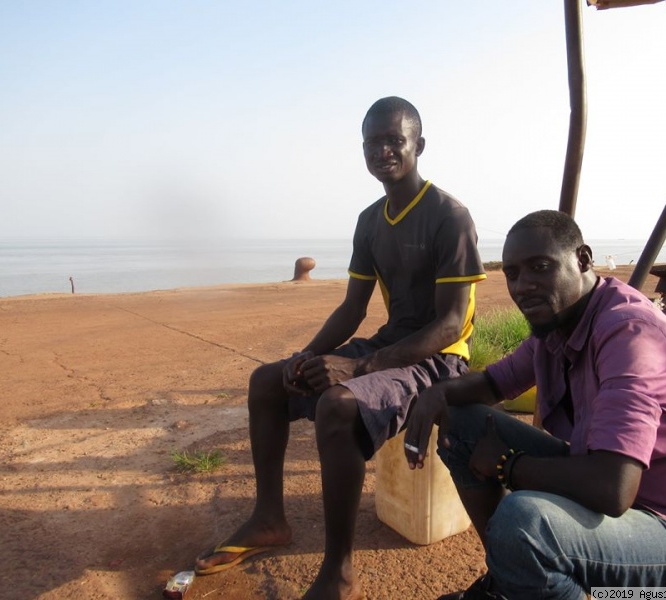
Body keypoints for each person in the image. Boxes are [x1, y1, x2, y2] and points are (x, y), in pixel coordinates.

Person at [195, 96, 486, 600]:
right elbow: (353, 309)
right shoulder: (370, 220)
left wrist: (362, 365)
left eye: (394, 139)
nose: (383, 151)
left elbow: (452, 323)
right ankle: (268, 519)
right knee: (268, 381)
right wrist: (305, 358)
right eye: (372, 141)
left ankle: (340, 572)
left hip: (441, 359)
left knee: (337, 404)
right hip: (395, 344)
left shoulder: (449, 216)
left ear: (419, 144)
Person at [404, 210, 666, 600]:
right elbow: (491, 383)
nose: (524, 286)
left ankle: (520, 575)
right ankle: (509, 580)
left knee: (526, 522)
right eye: (513, 274)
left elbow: (611, 490)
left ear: (582, 260)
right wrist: (436, 394)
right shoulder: (558, 326)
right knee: (464, 422)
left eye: (540, 267)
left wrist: (507, 465)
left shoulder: (629, 333)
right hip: (620, 514)